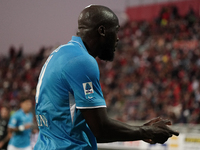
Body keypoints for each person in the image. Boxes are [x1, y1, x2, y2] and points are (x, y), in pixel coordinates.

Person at [34, 5, 179, 150]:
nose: (117, 38)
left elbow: (88, 131)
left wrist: (140, 131)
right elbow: (101, 129)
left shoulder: (59, 54)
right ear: (102, 31)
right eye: (116, 31)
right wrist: (147, 131)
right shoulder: (82, 61)